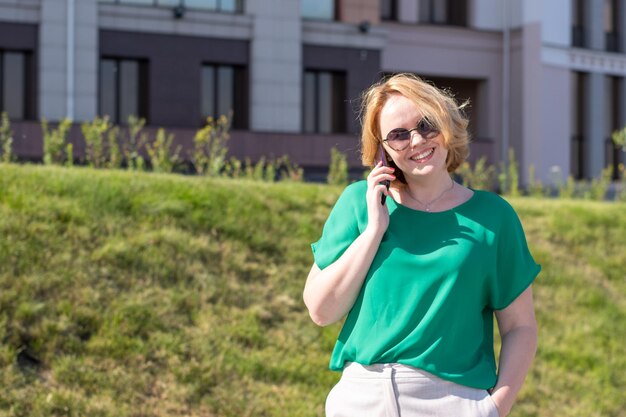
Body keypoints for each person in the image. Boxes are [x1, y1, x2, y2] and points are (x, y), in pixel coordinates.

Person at [303, 73, 541, 417]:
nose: (416, 140)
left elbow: (520, 327)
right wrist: (373, 232)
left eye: (426, 125)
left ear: (446, 124)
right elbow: (321, 311)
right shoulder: (359, 203)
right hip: (361, 399)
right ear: (383, 150)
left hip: (452, 401)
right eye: (398, 135)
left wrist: (494, 409)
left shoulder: (493, 217)